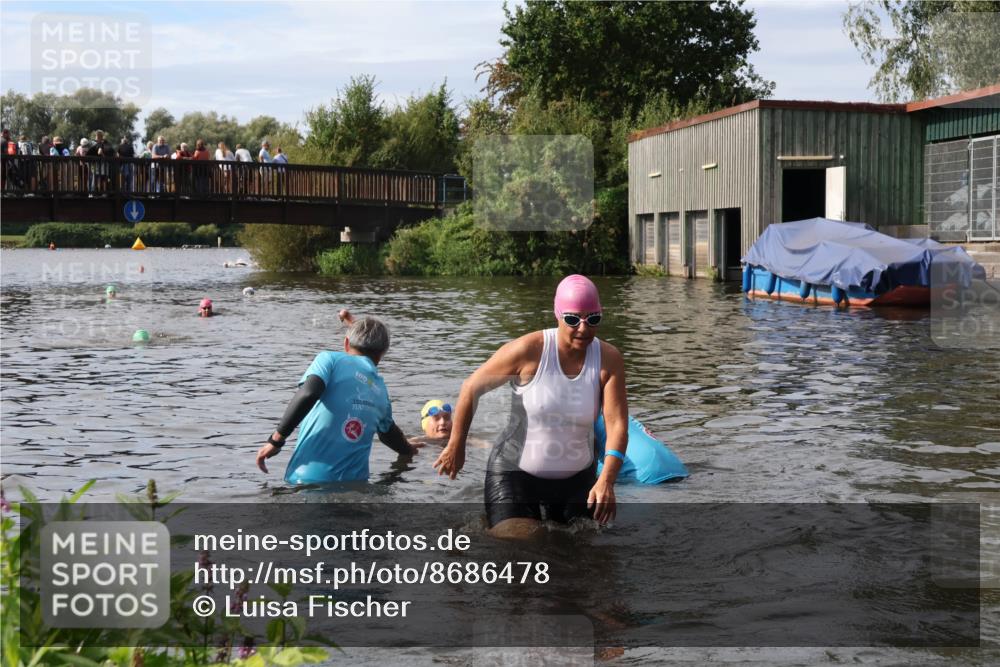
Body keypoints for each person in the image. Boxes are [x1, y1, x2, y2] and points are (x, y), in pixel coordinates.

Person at [433, 275, 628, 537]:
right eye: (573, 319)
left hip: (577, 478)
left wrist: (607, 479)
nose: (583, 328)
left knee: (585, 556)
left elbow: (616, 424)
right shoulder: (529, 350)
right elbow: (471, 387)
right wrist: (456, 445)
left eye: (593, 320)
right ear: (557, 315)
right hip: (516, 474)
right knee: (523, 546)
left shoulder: (608, 359)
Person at [256, 315, 421, 483]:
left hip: (306, 481)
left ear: (346, 343)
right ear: (382, 353)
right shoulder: (381, 390)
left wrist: (276, 441)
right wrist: (408, 450)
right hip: (356, 486)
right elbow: (388, 433)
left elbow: (309, 393)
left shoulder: (329, 360)